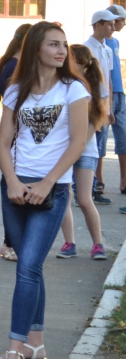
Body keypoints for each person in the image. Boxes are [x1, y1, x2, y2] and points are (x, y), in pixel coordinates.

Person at [0, 21, 89, 359]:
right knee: (29, 267)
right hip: (16, 188)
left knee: (28, 267)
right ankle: (35, 342)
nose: (62, 50)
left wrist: (48, 183)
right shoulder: (16, 91)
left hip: (52, 190)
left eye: (63, 44)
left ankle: (15, 348)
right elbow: (3, 144)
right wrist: (12, 181)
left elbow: (78, 142)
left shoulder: (73, 89)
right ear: (36, 48)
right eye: (53, 44)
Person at [60, 44, 107, 260]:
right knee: (65, 196)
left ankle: (98, 245)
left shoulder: (95, 86)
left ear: (77, 60)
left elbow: (95, 122)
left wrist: (77, 147)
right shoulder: (63, 83)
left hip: (85, 150)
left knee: (85, 199)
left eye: (68, 57)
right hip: (63, 149)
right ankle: (69, 243)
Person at [0, 23, 33, 261]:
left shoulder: (10, 62)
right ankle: (10, 243)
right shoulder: (15, 66)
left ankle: (11, 242)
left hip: (16, 137)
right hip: (16, 138)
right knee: (14, 191)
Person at [85, 8, 117, 205]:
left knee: (99, 149)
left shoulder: (107, 49)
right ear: (98, 25)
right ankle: (83, 190)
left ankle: (94, 189)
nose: (113, 28)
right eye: (110, 24)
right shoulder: (86, 49)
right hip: (91, 105)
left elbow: (109, 80)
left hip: (104, 105)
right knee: (87, 148)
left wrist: (110, 108)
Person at [105, 5, 126, 193]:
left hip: (120, 93)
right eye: (121, 20)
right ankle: (98, 182)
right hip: (107, 95)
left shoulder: (116, 42)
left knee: (123, 137)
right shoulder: (101, 42)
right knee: (100, 139)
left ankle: (124, 181)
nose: (123, 23)